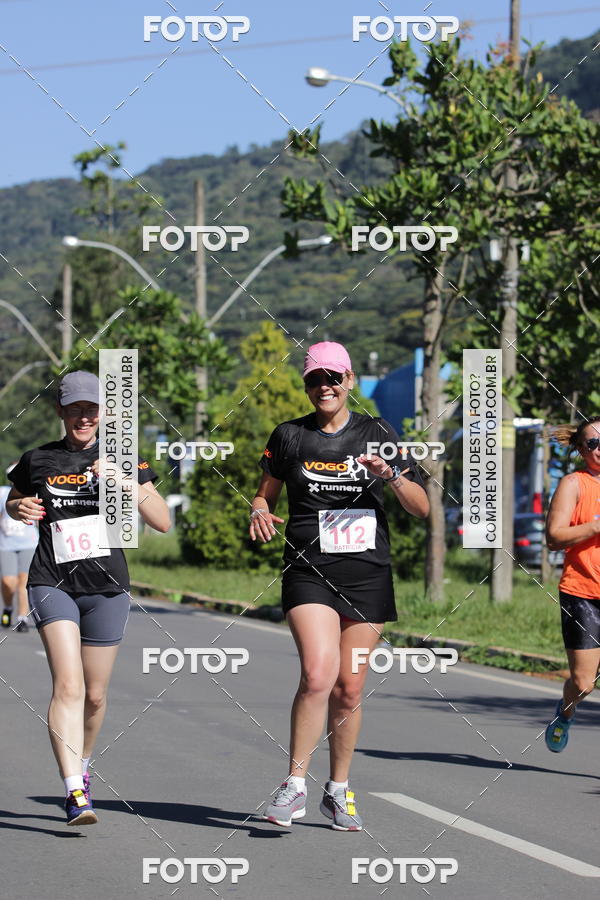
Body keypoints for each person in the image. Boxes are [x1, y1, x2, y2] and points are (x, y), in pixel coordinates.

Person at [250, 342, 429, 830]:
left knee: (349, 689)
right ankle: (294, 785)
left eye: (333, 377)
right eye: (315, 379)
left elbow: (421, 507)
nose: (324, 386)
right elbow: (264, 495)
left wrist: (391, 476)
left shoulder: (378, 433)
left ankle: (338, 790)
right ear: (306, 385)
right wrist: (259, 511)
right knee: (318, 675)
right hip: (309, 570)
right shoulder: (289, 436)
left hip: (367, 574)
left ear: (349, 380)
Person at [5, 371, 171, 825]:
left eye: (92, 409)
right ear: (60, 410)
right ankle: (74, 791)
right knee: (69, 686)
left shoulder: (123, 457)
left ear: (104, 413)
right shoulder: (38, 459)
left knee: (95, 697)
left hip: (107, 587)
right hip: (51, 581)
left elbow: (162, 521)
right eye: (75, 408)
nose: (84, 417)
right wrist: (17, 507)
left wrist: (123, 481)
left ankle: (83, 765)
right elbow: (15, 500)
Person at [544, 417, 600, 752]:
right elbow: (554, 537)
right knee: (583, 683)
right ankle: (565, 713)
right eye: (593, 443)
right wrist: (595, 527)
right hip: (583, 593)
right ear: (581, 450)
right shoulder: (574, 484)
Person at [0, 462, 39, 632]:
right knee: (8, 582)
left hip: (29, 543)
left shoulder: (34, 492)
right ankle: (8, 607)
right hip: (6, 544)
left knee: (24, 582)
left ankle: (22, 618)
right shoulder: (2, 493)